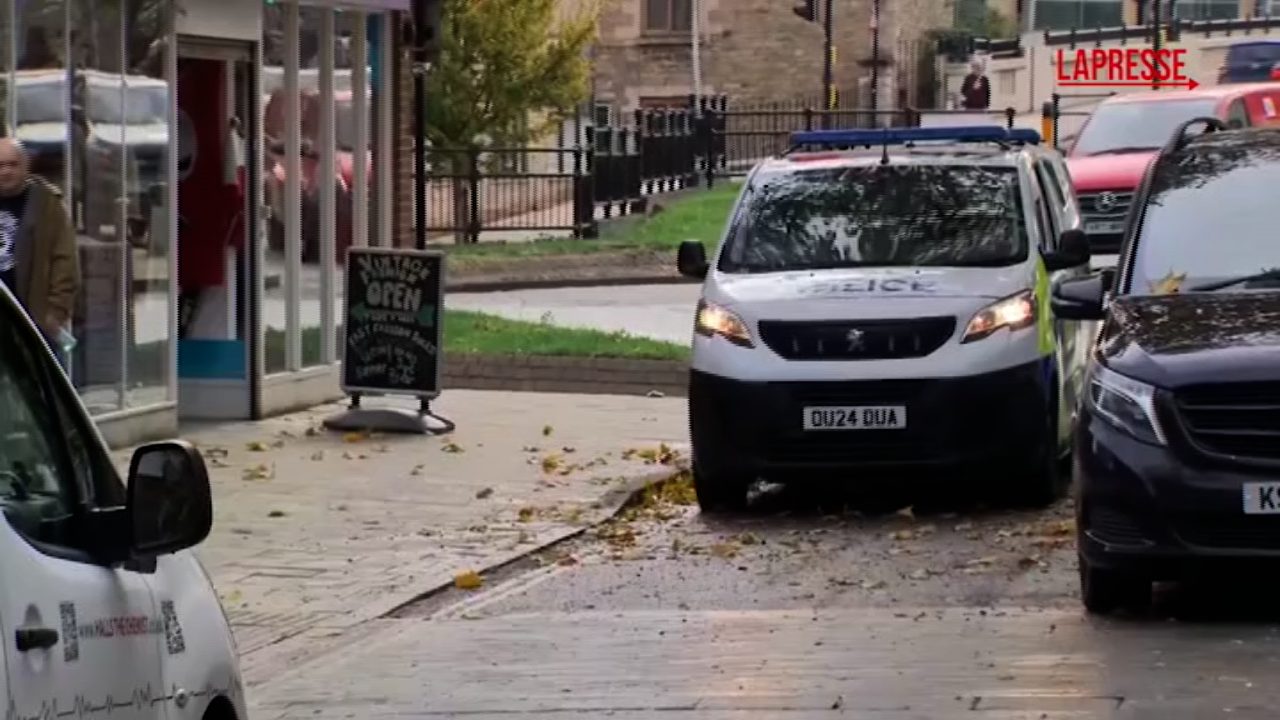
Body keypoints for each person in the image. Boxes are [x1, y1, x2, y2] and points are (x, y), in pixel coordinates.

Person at [0, 139, 80, 358]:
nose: (6, 171)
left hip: (33, 321)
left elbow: (65, 262)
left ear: (25, 167)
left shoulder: (46, 204)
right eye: (0, 165)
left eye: (13, 164)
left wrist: (53, 315)